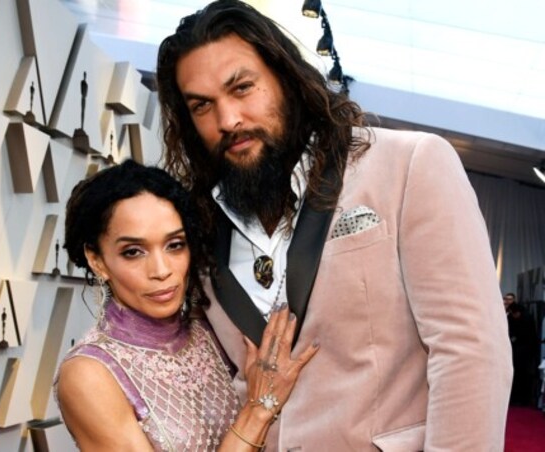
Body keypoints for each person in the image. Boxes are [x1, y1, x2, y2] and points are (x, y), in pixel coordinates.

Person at [155, 1, 513, 450]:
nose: (228, 120)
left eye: (243, 88)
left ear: (285, 78)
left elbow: (471, 353)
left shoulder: (408, 165)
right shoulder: (199, 228)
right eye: (202, 106)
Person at [54, 160, 318, 451]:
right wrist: (258, 411)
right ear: (97, 260)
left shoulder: (210, 328)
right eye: (133, 252)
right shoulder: (88, 374)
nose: (161, 270)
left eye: (175, 245)